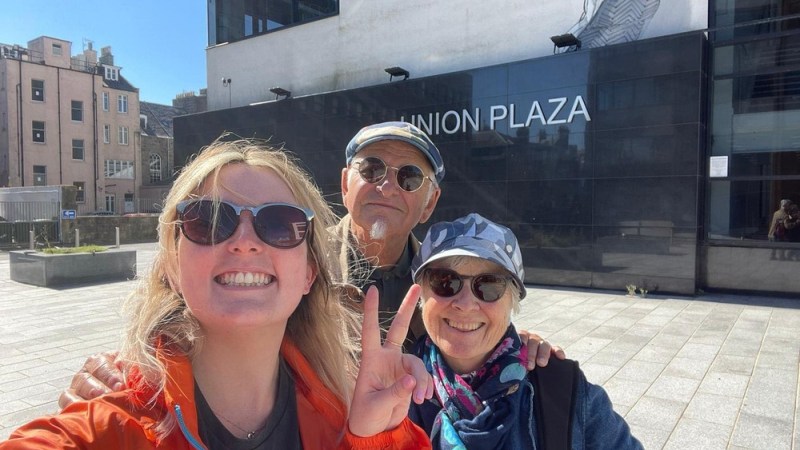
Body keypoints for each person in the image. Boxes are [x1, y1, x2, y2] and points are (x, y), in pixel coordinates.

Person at [60, 121, 563, 407]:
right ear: (346, 183)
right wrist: (125, 372)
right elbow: (198, 303)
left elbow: (473, 328)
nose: (387, 185)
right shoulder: (290, 252)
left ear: (428, 204)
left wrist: (515, 346)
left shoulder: (442, 281)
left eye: (409, 177)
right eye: (372, 169)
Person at [1, 137, 432, 448]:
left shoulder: (343, 420)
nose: (245, 241)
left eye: (280, 224)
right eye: (208, 220)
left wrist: (375, 438)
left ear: (309, 274)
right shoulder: (112, 426)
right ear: (171, 262)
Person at [407, 213, 643, 449]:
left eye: (488, 285)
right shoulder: (392, 386)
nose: (465, 304)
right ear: (421, 294)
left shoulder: (563, 390)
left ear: (512, 300)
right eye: (445, 281)